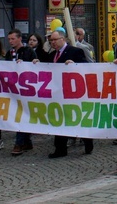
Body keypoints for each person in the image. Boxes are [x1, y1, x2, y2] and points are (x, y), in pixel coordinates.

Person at [40, 29, 92, 158]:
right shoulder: (52, 55)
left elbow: (87, 67)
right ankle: (60, 149)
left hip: (72, 93)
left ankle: (87, 139)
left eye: (55, 40)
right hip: (58, 93)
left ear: (62, 39)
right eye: (50, 40)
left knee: (75, 120)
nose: (52, 43)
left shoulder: (75, 51)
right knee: (59, 120)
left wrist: (75, 65)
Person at [5, 29, 37, 156]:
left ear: (19, 39)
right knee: (19, 115)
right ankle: (26, 141)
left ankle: (19, 143)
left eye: (13, 39)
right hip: (14, 90)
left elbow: (35, 67)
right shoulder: (9, 53)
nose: (11, 41)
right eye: (9, 39)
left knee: (21, 116)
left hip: (26, 89)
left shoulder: (28, 51)